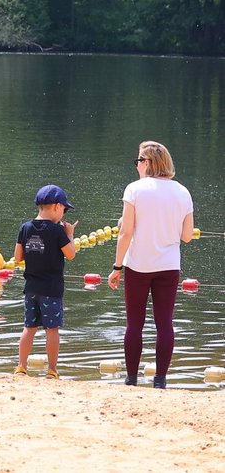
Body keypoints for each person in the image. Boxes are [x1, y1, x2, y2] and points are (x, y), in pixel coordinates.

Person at [108, 142, 193, 389]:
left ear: (147, 163)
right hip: (168, 265)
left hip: (138, 265)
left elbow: (125, 233)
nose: (136, 167)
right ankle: (160, 380)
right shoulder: (183, 192)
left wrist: (117, 266)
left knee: (134, 323)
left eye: (138, 162)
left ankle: (132, 379)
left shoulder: (135, 190)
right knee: (164, 322)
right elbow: (186, 236)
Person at [12, 185, 78, 380]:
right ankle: (52, 370)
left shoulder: (25, 228)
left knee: (29, 328)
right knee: (52, 329)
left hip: (31, 287)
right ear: (57, 207)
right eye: (64, 210)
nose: (63, 214)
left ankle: (21, 366)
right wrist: (70, 234)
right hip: (52, 288)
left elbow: (17, 257)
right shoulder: (57, 231)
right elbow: (71, 254)